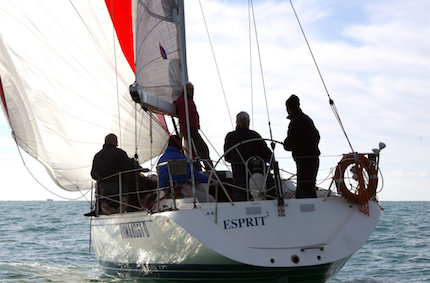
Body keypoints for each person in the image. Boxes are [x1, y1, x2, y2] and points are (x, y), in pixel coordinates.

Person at [224, 111, 272, 201]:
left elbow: (227, 157)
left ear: (237, 122)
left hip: (239, 179)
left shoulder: (230, 137)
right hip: (256, 181)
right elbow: (268, 155)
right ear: (248, 122)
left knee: (239, 204)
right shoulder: (254, 136)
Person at [283, 95, 320, 198]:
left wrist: (286, 144)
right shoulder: (307, 119)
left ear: (288, 108)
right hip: (313, 158)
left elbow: (290, 143)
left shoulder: (295, 122)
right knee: (310, 187)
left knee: (303, 189)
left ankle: (305, 210)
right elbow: (317, 136)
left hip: (304, 160)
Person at [157, 135, 214, 202]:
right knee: (210, 199)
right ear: (179, 144)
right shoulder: (179, 157)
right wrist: (210, 180)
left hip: (164, 192)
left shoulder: (160, 159)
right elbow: (194, 175)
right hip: (180, 190)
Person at [90, 133, 136, 214]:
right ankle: (132, 206)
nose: (117, 143)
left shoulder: (97, 155)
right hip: (118, 187)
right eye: (116, 141)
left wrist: (101, 177)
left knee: (100, 188)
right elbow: (128, 167)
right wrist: (135, 164)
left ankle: (98, 209)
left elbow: (93, 174)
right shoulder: (119, 153)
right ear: (111, 141)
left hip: (103, 190)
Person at [173, 82, 212, 171]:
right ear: (185, 90)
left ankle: (200, 169)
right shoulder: (182, 100)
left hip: (192, 128)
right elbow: (176, 105)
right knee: (202, 149)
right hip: (188, 128)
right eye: (189, 89)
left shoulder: (188, 100)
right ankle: (207, 169)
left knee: (196, 151)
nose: (191, 91)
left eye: (192, 90)